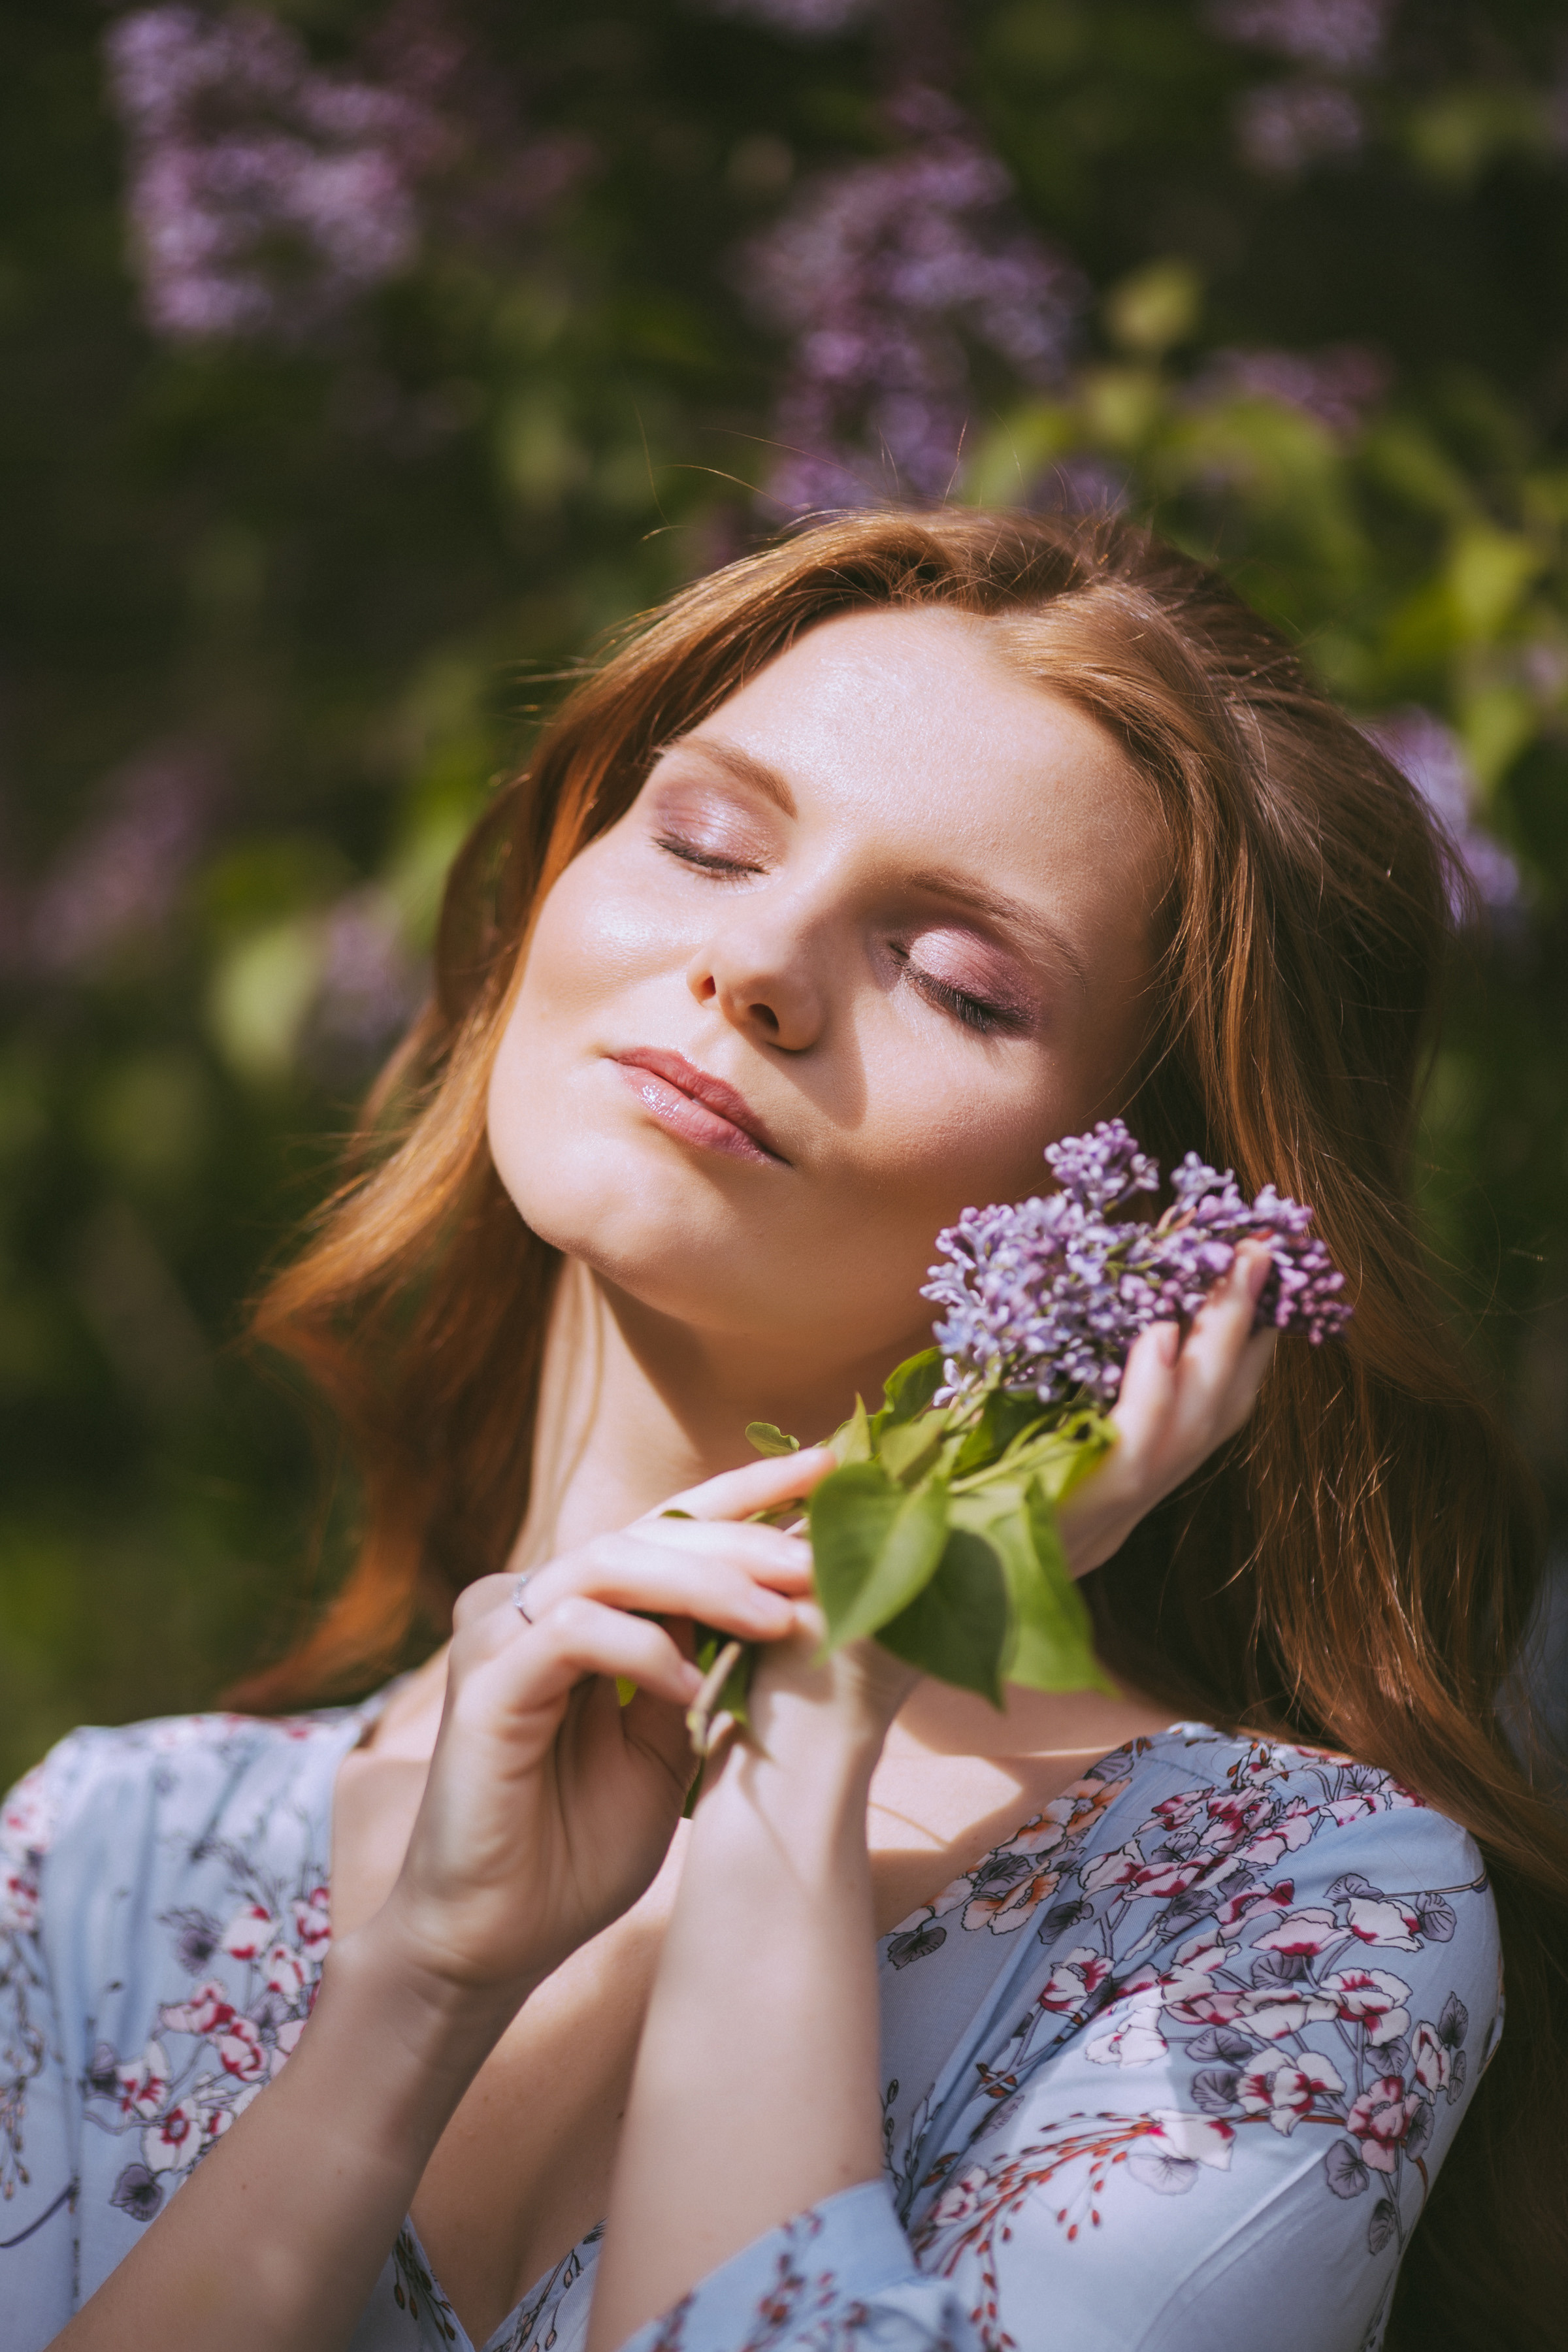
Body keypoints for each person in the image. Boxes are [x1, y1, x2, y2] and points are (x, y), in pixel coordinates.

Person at [2, 508, 1563, 2352]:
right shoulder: (104, 1858)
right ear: (543, 891)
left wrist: (802, 1750)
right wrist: (404, 2007)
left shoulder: (1277, 1924)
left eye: (965, 983)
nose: (761, 962)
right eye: (703, 838)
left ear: (1156, 1220)